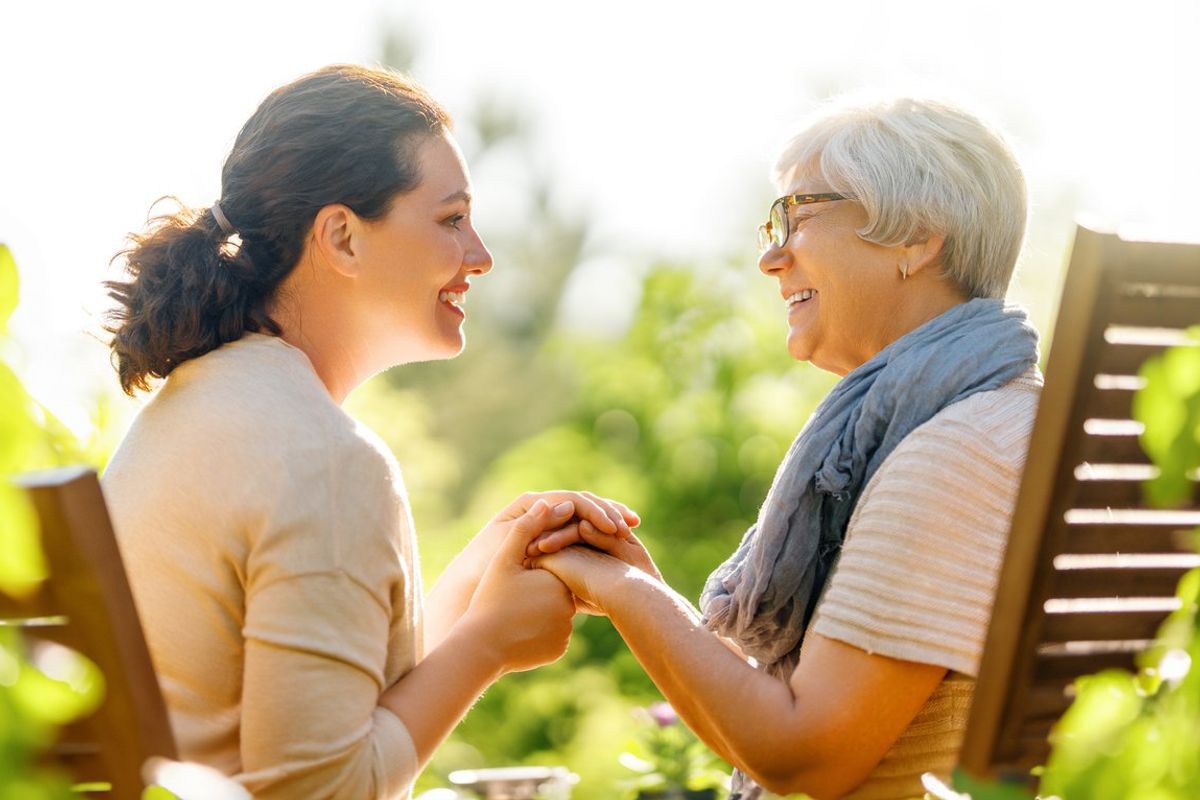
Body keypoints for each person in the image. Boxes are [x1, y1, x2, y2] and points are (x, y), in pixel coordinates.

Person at [101, 64, 636, 800]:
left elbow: (329, 713)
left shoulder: (193, 411)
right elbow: (317, 792)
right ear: (343, 237)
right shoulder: (323, 461)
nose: (481, 255)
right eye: (450, 219)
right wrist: (488, 645)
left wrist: (479, 585)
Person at [529, 97, 1042, 800]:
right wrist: (645, 585)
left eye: (798, 215)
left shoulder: (954, 455)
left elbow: (805, 758)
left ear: (916, 237)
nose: (771, 257)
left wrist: (618, 590)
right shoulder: (1011, 424)